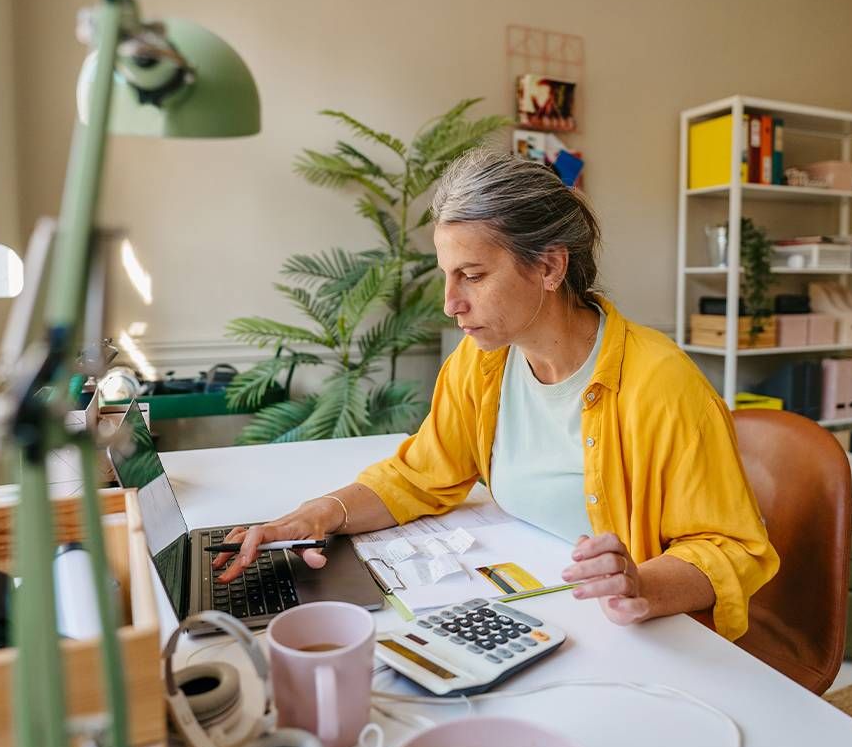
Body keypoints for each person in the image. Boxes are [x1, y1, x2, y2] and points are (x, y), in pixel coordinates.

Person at [213, 148, 779, 640]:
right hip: (536, 609)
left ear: (551, 267)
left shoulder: (662, 384)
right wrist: (314, 516)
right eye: (446, 275)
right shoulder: (483, 363)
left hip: (636, 632)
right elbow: (419, 476)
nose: (449, 302)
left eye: (474, 276)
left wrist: (642, 583)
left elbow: (733, 550)